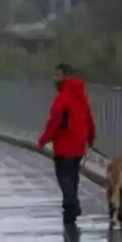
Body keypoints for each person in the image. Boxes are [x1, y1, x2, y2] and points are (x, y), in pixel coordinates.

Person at [37, 63, 96, 225]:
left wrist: (43, 140)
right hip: (79, 144)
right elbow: (89, 119)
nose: (54, 79)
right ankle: (72, 202)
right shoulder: (81, 96)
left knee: (63, 176)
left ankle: (71, 203)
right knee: (73, 175)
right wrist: (91, 137)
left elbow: (54, 122)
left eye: (57, 75)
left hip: (64, 143)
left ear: (65, 77)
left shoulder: (62, 99)